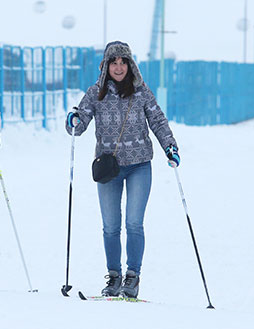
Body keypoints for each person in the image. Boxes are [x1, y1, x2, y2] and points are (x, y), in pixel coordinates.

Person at [65, 41, 180, 298]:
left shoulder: (142, 92)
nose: (118, 67)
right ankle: (114, 276)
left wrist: (170, 147)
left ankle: (132, 277)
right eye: (113, 62)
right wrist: (73, 120)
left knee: (134, 223)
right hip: (109, 168)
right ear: (106, 66)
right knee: (110, 226)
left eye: (123, 62)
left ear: (130, 65)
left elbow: (158, 121)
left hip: (139, 165)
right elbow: (80, 121)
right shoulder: (96, 92)